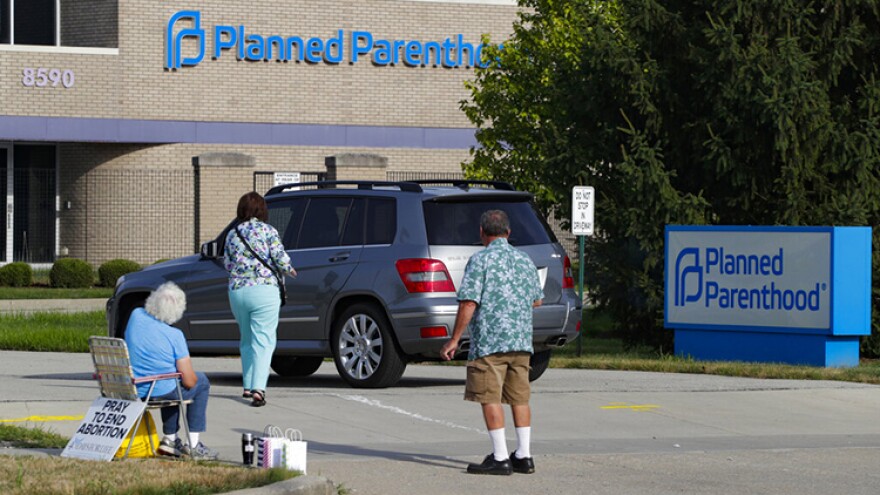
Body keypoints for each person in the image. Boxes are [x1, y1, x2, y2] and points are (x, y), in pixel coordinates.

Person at [440, 209, 544, 476]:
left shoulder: (480, 260)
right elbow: (536, 300)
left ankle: (499, 458)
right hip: (521, 342)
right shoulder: (525, 260)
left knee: (490, 397)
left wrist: (454, 339)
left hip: (490, 343)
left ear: (482, 233)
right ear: (508, 233)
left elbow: (469, 302)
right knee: (520, 397)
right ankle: (524, 455)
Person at [125, 281, 218, 460]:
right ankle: (193, 444)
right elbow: (190, 382)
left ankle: (170, 440)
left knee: (171, 381)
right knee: (201, 381)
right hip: (157, 390)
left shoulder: (135, 316)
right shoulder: (175, 336)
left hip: (133, 388)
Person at [224, 191, 296, 407]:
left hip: (237, 290)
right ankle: (258, 389)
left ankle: (247, 385)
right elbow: (279, 257)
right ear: (262, 210)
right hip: (264, 289)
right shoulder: (267, 230)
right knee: (263, 340)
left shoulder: (232, 233)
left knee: (246, 338)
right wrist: (290, 269)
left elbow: (227, 263)